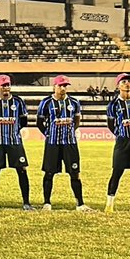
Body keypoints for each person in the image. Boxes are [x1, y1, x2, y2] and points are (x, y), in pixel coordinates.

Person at [37, 75, 92, 211]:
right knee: (49, 173)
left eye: (65, 86)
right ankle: (47, 203)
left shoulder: (74, 102)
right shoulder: (46, 102)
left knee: (74, 173)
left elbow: (77, 121)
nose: (63, 88)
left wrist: (70, 131)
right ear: (54, 87)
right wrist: (49, 134)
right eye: (60, 86)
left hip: (70, 143)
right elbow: (39, 123)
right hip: (52, 143)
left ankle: (80, 204)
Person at [0, 75, 32, 210]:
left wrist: (13, 131)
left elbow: (23, 121)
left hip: (14, 141)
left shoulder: (18, 102)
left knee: (21, 170)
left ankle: (26, 203)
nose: (6, 88)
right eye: (3, 85)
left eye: (8, 85)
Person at [105, 73, 130, 212]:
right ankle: (109, 203)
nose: (127, 84)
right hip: (123, 142)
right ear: (118, 85)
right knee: (117, 172)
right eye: (124, 81)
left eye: (129, 81)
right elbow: (110, 124)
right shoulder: (113, 104)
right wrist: (120, 134)